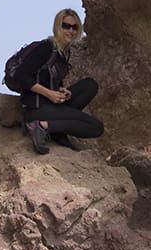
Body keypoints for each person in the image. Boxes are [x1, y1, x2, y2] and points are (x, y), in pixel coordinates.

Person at [13, 9, 104, 154]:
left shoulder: (63, 52)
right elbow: (21, 75)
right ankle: (41, 127)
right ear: (58, 26)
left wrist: (61, 89)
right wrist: (49, 93)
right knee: (96, 127)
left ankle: (57, 130)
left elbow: (47, 77)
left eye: (74, 27)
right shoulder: (47, 47)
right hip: (36, 109)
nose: (70, 31)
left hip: (50, 104)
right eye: (66, 26)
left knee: (89, 85)